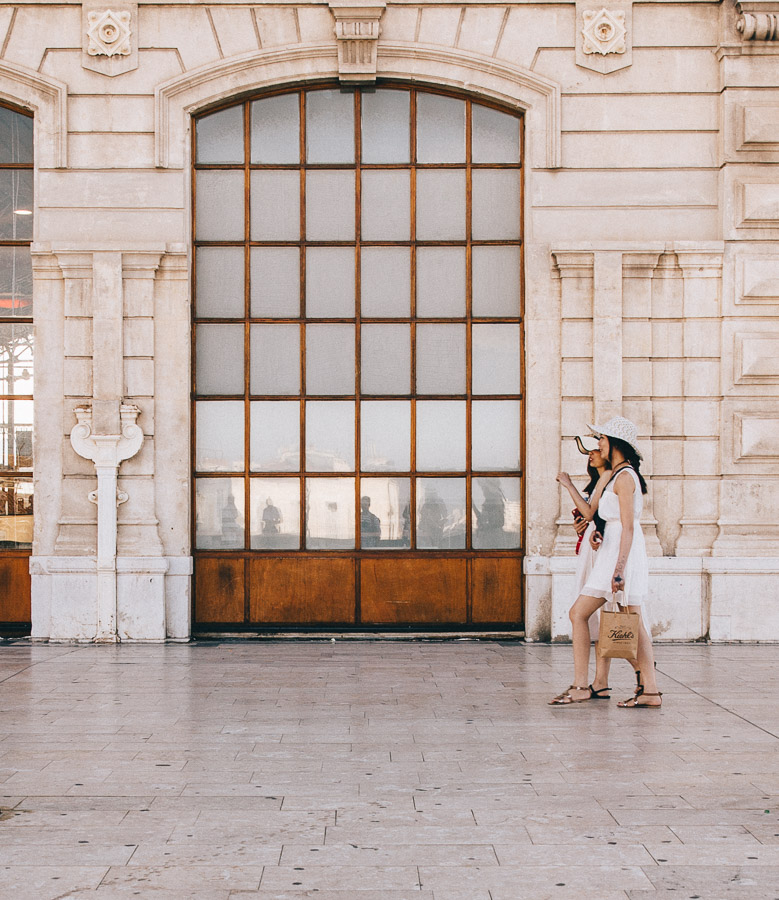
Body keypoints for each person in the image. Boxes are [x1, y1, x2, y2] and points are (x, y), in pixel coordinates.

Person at [549, 416, 661, 708]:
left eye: (601, 439)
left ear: (615, 443)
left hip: (620, 553)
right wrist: (569, 485)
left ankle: (594, 686)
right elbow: (588, 512)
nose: (597, 445)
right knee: (621, 620)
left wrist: (620, 569)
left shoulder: (625, 478)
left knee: (600, 616)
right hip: (610, 550)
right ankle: (646, 690)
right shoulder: (611, 476)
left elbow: (629, 526)